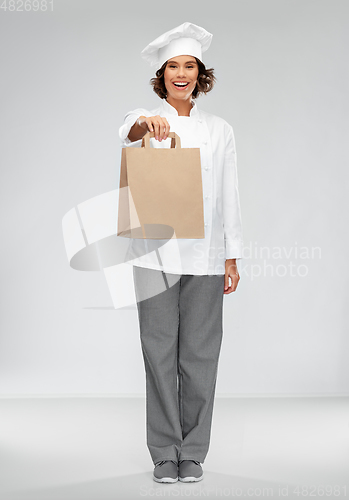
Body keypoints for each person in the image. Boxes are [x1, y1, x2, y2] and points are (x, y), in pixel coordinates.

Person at [119, 22, 244, 484]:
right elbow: (126, 130)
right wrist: (144, 123)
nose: (181, 73)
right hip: (154, 256)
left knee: (200, 355)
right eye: (173, 65)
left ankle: (192, 450)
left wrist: (232, 254)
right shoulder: (148, 120)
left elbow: (229, 193)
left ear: (200, 74)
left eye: (189, 65)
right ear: (162, 73)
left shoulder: (220, 129)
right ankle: (163, 451)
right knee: (158, 352)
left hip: (207, 256)